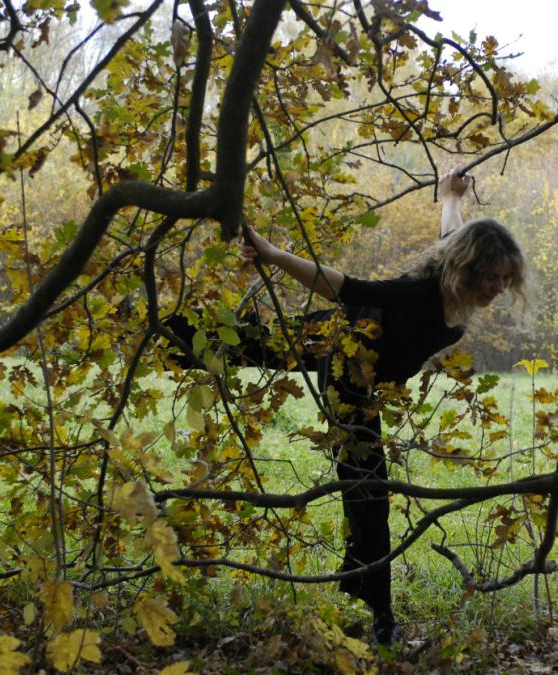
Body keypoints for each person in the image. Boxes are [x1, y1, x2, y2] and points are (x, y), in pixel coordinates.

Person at [166, 171, 526, 644]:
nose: (499, 287)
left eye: (506, 278)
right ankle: (381, 619)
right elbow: (346, 288)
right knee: (369, 496)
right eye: (492, 277)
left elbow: (450, 232)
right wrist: (272, 255)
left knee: (248, 344)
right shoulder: (422, 293)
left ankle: (359, 590)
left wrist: (449, 196)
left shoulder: (452, 278)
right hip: (346, 370)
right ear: (467, 269)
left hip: (345, 349)